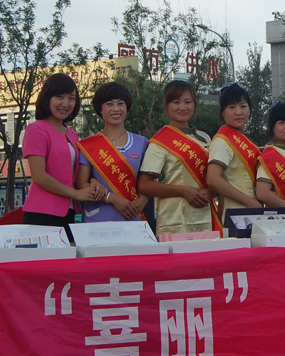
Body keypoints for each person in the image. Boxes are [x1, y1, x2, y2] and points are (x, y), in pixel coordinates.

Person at [138, 81, 217, 235]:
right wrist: (183, 191)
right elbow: (144, 185)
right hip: (173, 219)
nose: (182, 107)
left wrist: (212, 192)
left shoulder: (205, 138)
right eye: (176, 102)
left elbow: (215, 177)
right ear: (167, 105)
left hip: (204, 215)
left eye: (187, 102)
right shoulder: (160, 141)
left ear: (194, 104)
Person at [22, 73, 94, 235]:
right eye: (59, 97)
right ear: (47, 98)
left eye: (71, 98)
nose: (65, 104)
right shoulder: (36, 129)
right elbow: (39, 176)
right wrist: (76, 193)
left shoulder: (73, 134)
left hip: (70, 213)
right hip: (42, 214)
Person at [75, 82, 149, 222]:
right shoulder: (89, 145)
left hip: (131, 216)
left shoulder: (142, 143)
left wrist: (142, 201)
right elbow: (81, 184)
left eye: (120, 103)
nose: (116, 109)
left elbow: (149, 181)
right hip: (98, 219)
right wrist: (112, 199)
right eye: (109, 104)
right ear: (100, 109)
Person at [207, 82, 262, 221]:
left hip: (251, 213)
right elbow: (213, 178)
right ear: (223, 112)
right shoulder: (222, 140)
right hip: (236, 216)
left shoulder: (247, 140)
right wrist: (249, 202)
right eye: (232, 107)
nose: (238, 112)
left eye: (243, 106)